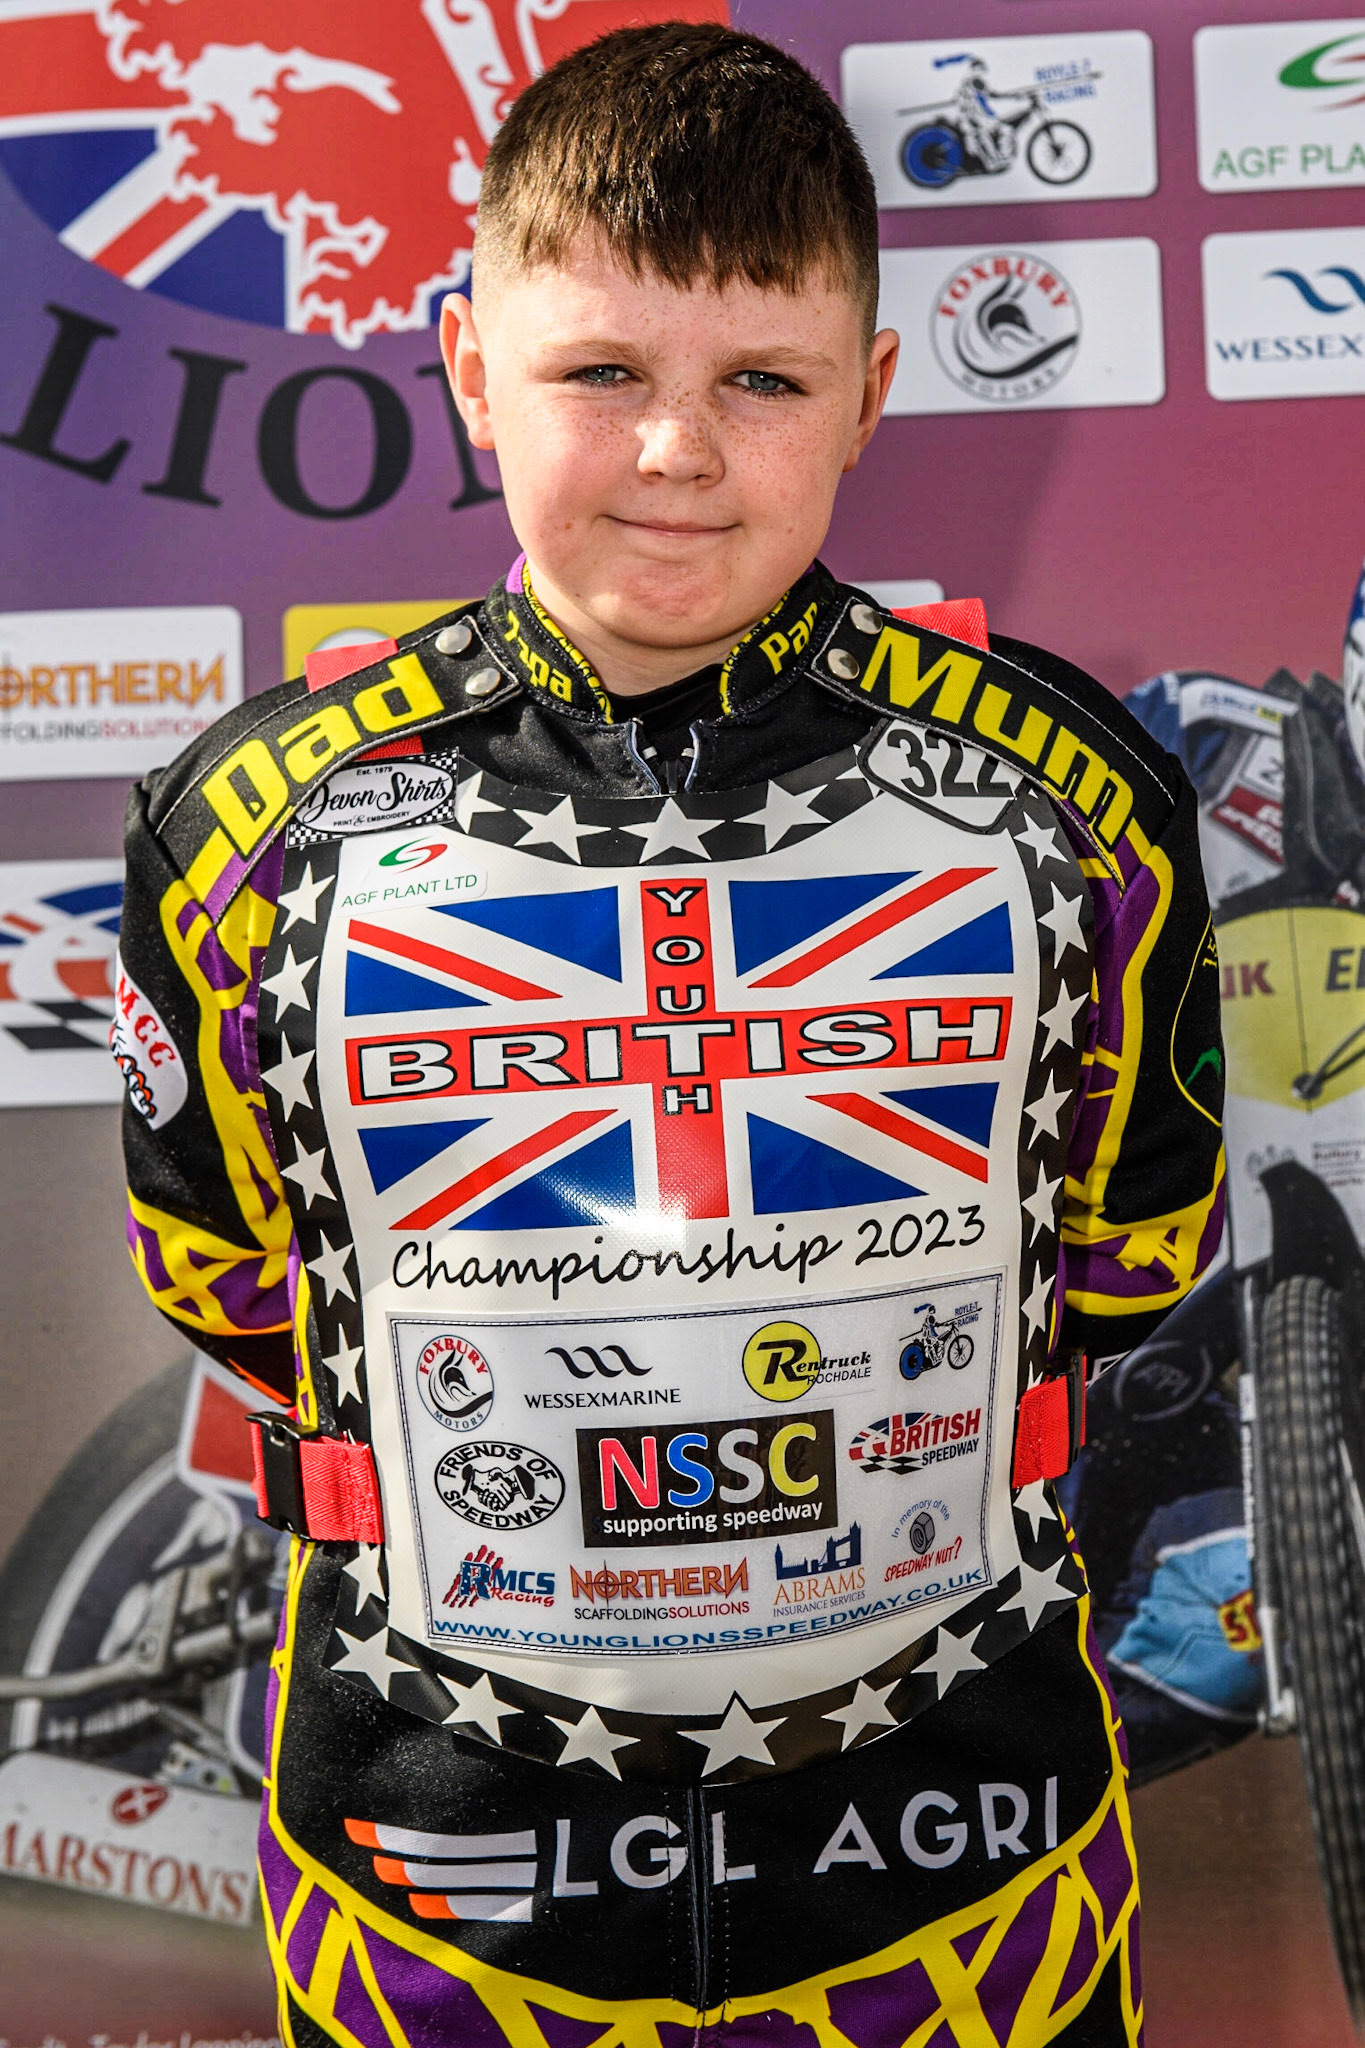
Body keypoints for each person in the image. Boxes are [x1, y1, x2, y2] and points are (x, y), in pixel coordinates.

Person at [115, 24, 1224, 2045]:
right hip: (434, 1880)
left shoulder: (1072, 785)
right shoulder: (252, 817)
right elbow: (221, 1281)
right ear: (466, 364)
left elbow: (1133, 1249)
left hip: (958, 1867)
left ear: (872, 392)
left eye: (762, 380)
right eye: (598, 371)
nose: (675, 451)